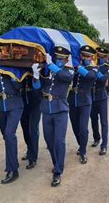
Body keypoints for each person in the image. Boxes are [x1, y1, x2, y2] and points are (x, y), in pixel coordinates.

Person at [34, 47, 74, 187]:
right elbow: (38, 88)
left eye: (61, 58)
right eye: (57, 58)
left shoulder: (68, 70)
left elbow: (66, 77)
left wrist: (51, 64)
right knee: (49, 140)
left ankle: (58, 170)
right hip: (46, 109)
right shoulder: (49, 71)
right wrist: (36, 76)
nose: (59, 60)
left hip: (60, 109)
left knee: (59, 141)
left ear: (66, 60)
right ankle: (56, 162)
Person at [68, 45, 97, 164]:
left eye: (88, 56)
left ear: (91, 57)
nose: (86, 57)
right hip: (72, 98)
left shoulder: (93, 68)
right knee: (75, 126)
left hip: (85, 100)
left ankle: (83, 152)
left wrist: (78, 67)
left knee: (83, 128)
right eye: (83, 55)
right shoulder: (74, 67)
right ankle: (81, 145)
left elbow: (90, 76)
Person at [90, 47, 109, 155]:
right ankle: (96, 138)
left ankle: (104, 145)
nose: (100, 58)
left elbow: (103, 79)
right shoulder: (92, 64)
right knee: (93, 119)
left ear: (106, 57)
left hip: (101, 96)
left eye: (103, 56)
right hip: (91, 95)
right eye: (99, 56)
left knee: (103, 122)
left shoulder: (108, 67)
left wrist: (95, 70)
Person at [19, 74, 42, 170]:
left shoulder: (37, 70)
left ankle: (33, 157)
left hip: (35, 102)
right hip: (23, 101)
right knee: (25, 128)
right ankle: (29, 149)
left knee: (33, 129)